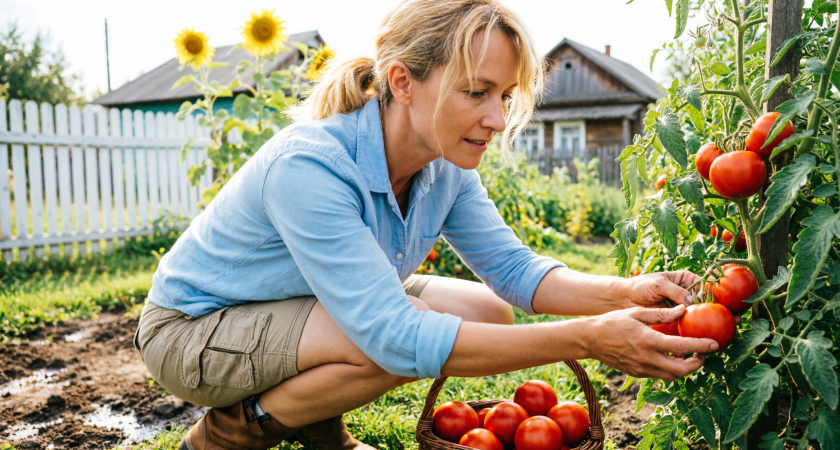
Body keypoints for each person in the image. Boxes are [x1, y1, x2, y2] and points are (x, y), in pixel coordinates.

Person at [134, 1, 719, 449]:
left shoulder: (446, 164)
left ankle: (311, 419)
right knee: (395, 335)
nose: (496, 119)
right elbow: (391, 334)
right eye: (476, 92)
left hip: (303, 305)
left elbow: (512, 271)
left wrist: (623, 294)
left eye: (506, 96)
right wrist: (587, 338)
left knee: (487, 311)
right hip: (194, 331)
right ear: (402, 82)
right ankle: (234, 431)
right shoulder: (310, 166)